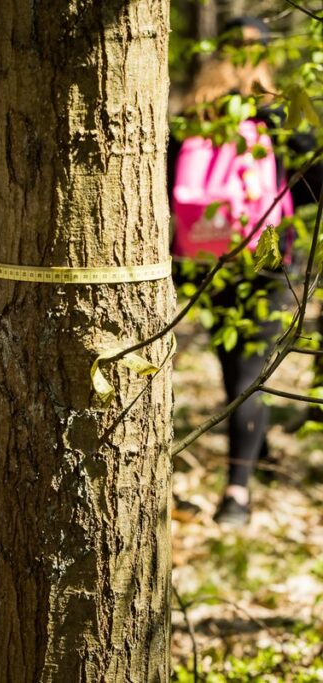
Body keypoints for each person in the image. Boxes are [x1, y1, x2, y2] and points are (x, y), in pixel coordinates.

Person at [169, 16, 318, 526]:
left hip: (202, 257)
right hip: (265, 252)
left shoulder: (193, 115)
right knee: (250, 374)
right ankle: (236, 492)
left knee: (228, 361)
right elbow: (311, 178)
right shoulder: (278, 111)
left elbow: (171, 187)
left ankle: (245, 460)